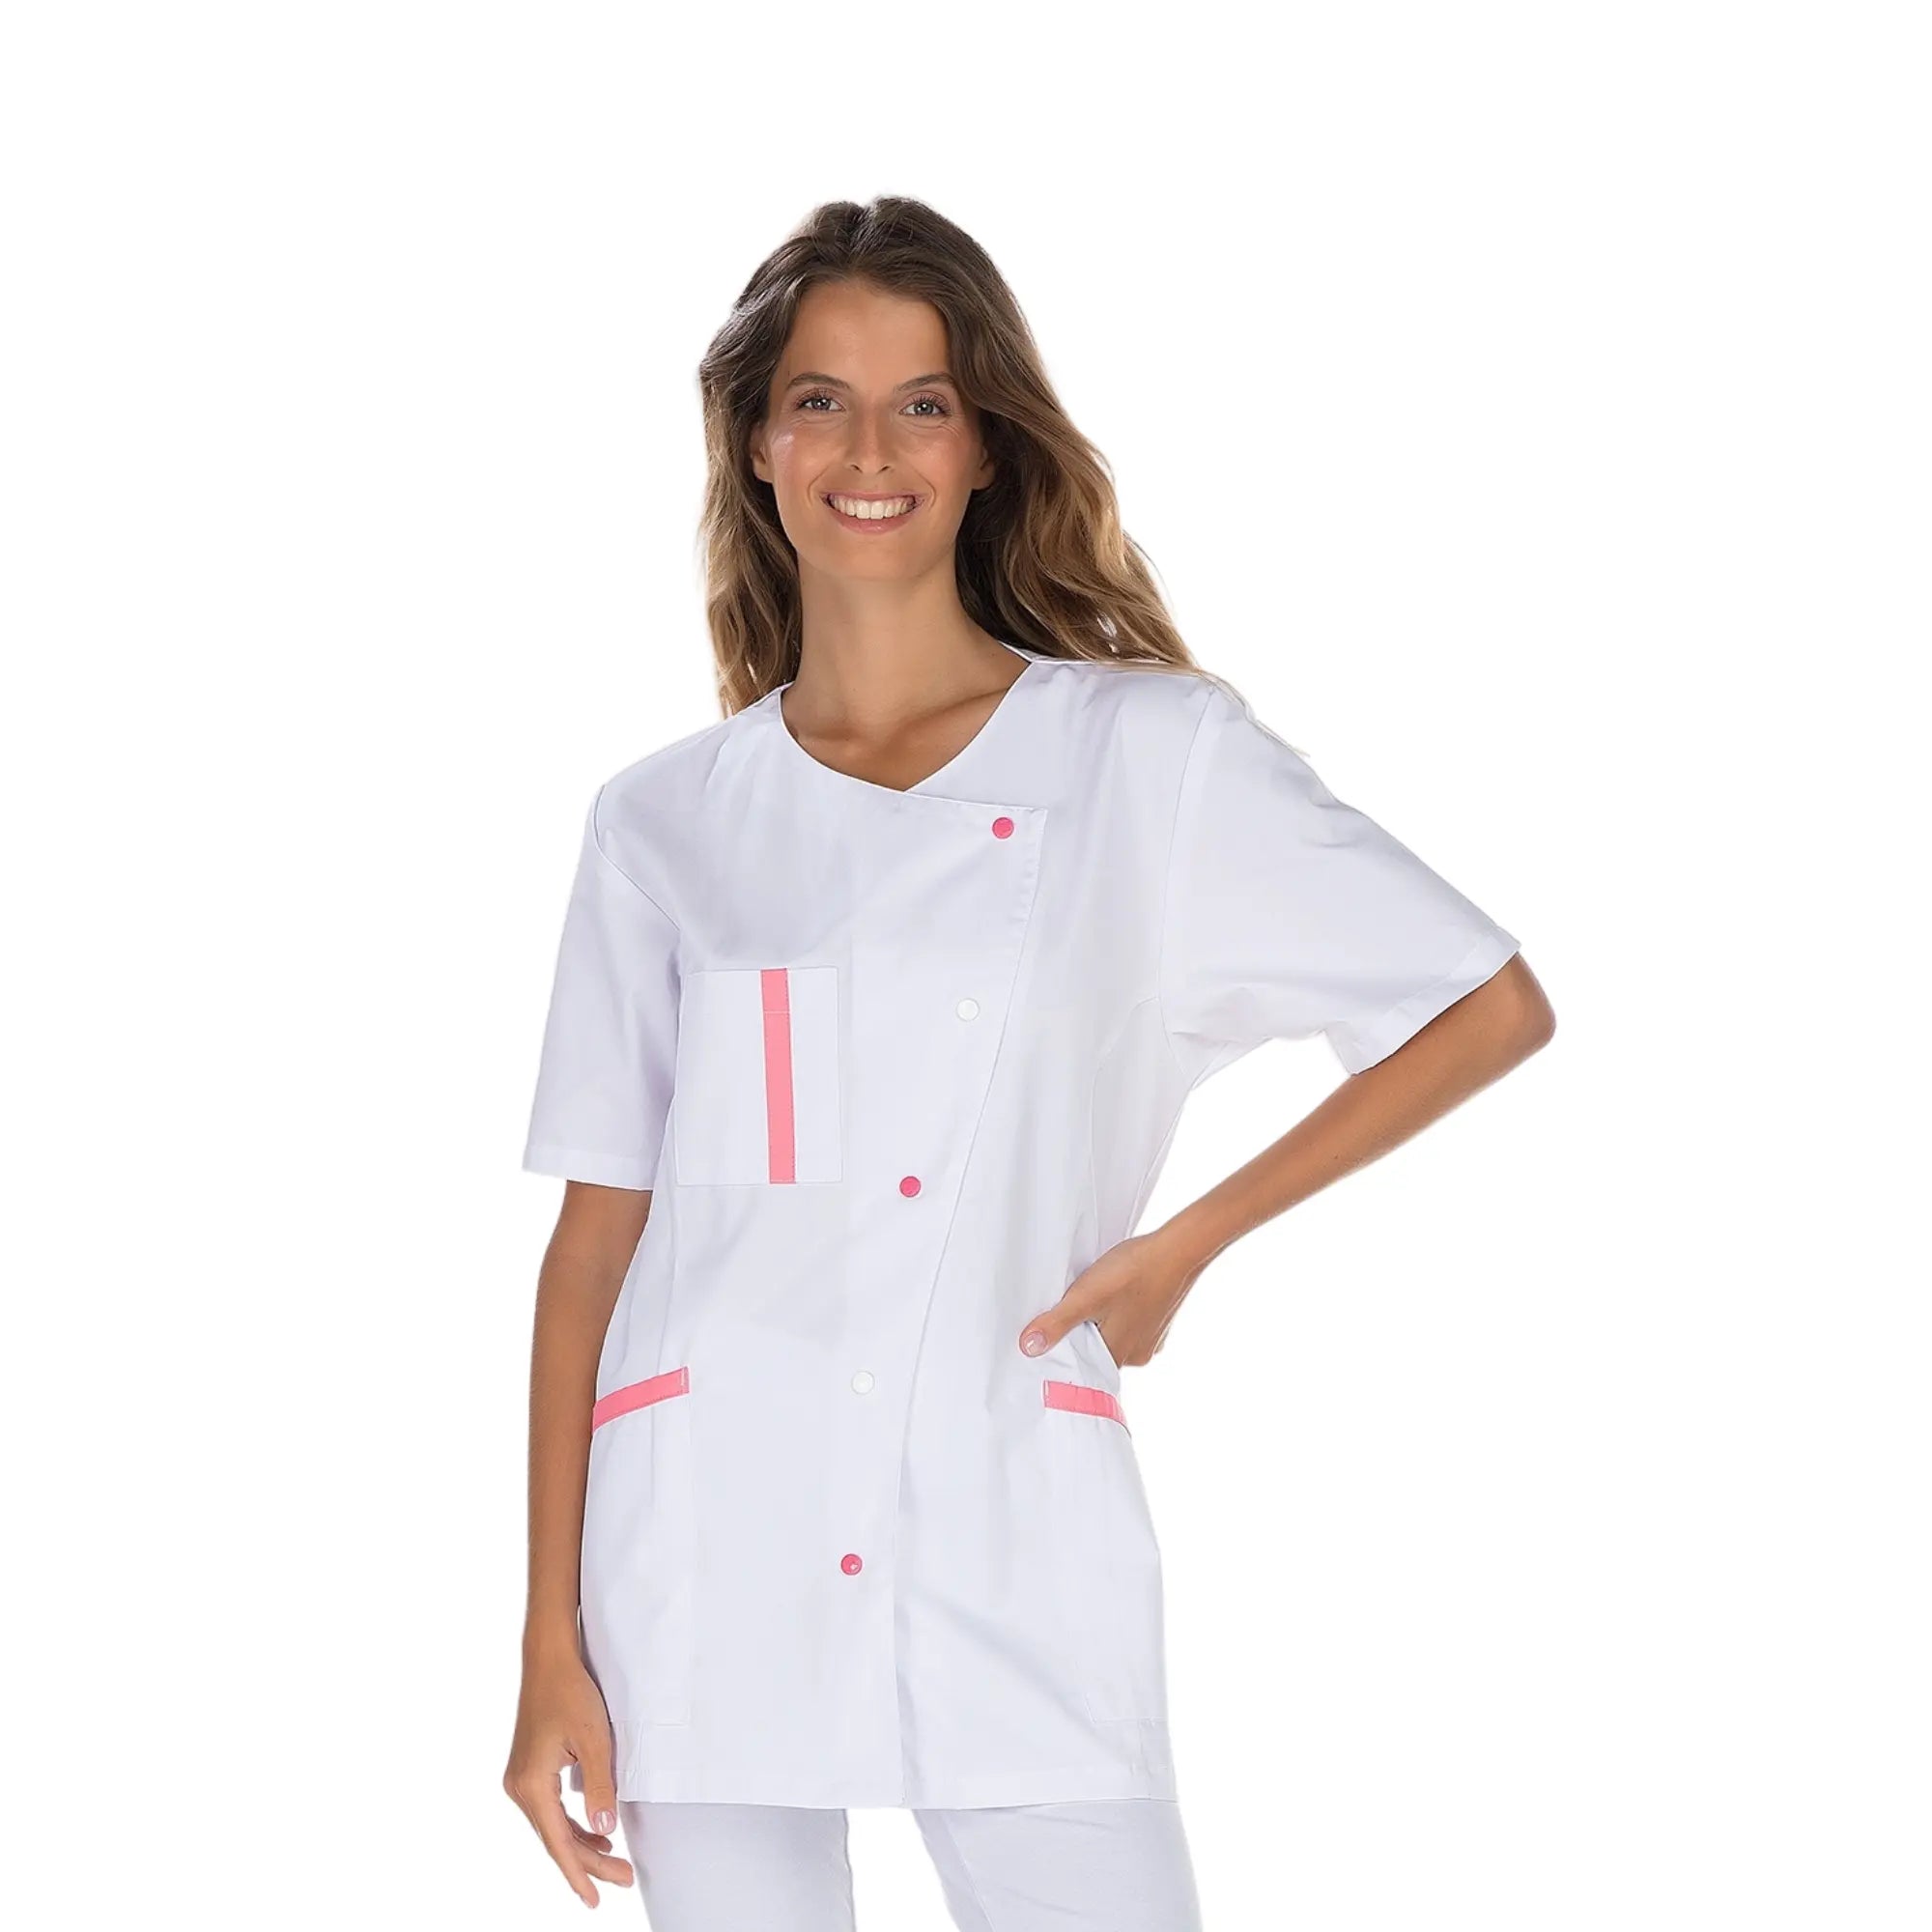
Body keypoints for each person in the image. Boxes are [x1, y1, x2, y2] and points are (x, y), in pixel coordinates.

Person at [502, 196, 1555, 1930]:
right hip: (704, 1543)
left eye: (922, 402)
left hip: (1010, 1523)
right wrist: (548, 1638)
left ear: (986, 442)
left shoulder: (1148, 755)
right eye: (821, 400)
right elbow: (592, 1247)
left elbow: (1484, 1004)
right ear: (758, 442)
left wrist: (1184, 1244)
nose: (870, 449)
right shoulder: (663, 821)